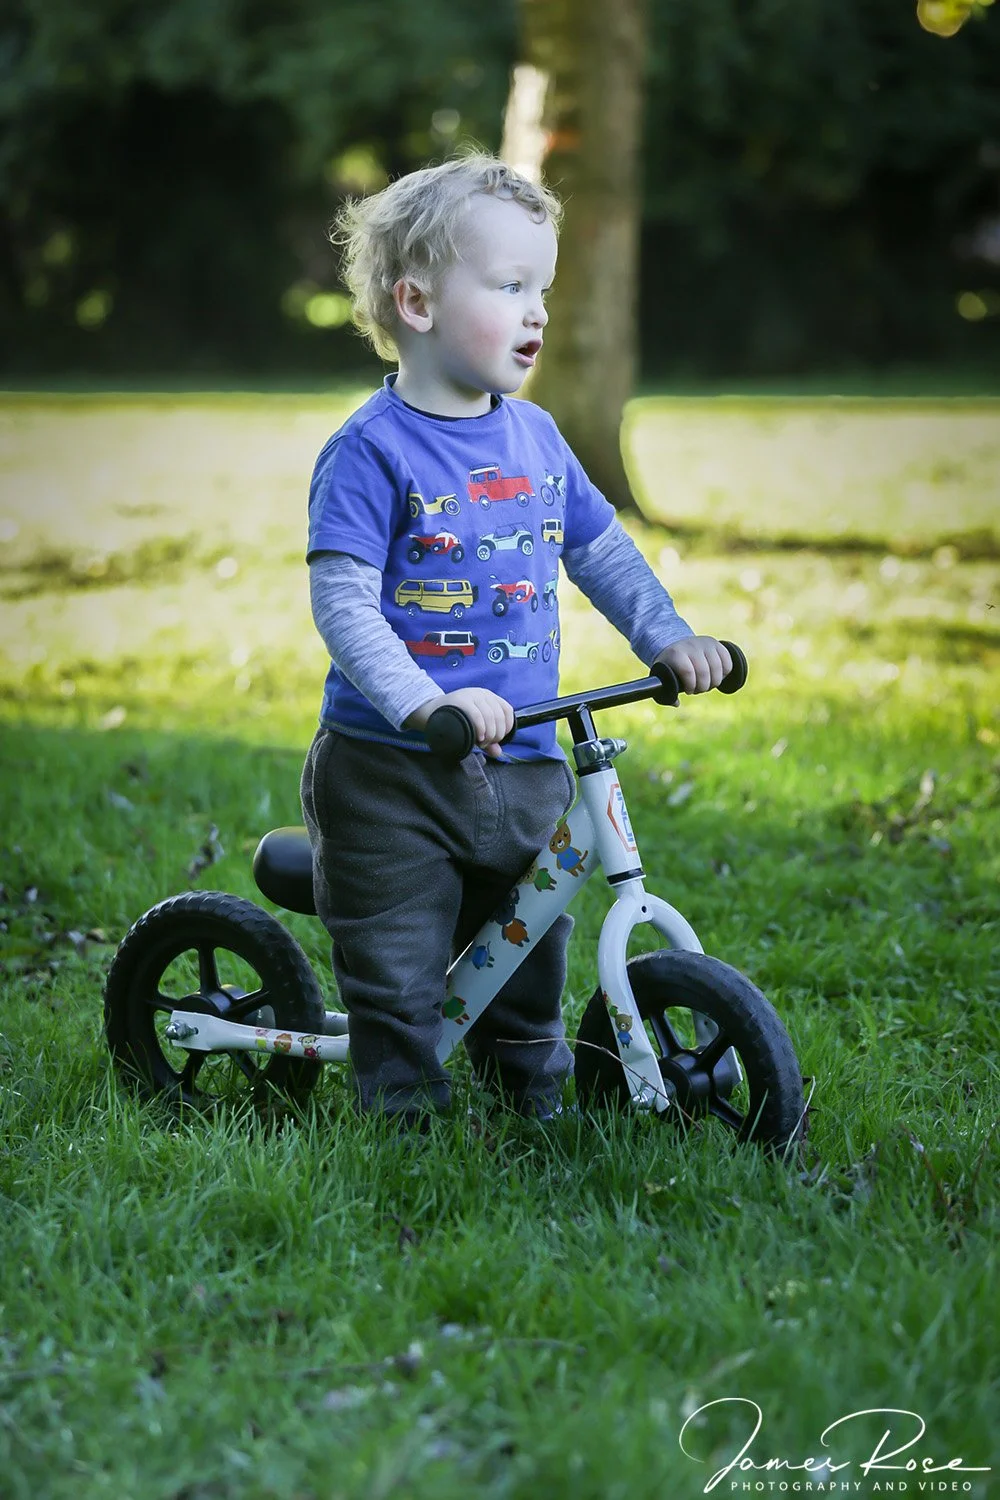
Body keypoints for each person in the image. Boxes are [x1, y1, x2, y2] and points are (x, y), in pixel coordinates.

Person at [301, 151, 732, 1127]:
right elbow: (344, 603)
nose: (537, 310)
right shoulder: (371, 452)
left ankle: (527, 1103)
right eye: (508, 287)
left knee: (529, 950)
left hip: (530, 752)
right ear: (415, 304)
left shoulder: (534, 438)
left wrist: (665, 637)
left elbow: (601, 550)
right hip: (395, 769)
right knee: (399, 963)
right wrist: (427, 701)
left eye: (541, 287)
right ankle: (404, 1121)